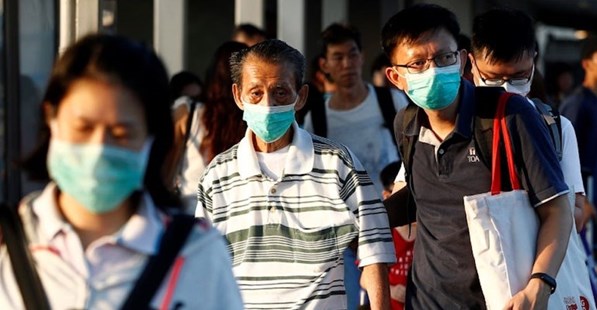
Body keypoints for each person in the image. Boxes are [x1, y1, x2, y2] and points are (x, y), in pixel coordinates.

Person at [1, 34, 242, 309]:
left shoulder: (198, 254)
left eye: (121, 134)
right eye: (83, 128)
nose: (98, 149)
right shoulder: (7, 246)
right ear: (51, 117)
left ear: (151, 136)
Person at [381, 4, 572, 308]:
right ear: (395, 76)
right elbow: (423, 201)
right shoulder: (405, 125)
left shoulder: (510, 115)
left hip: (503, 300)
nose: (433, 71)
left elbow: (558, 210)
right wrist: (360, 218)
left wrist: (540, 284)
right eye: (417, 63)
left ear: (461, 59)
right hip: (426, 300)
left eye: (443, 57)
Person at [196, 39, 395, 309]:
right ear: (238, 96)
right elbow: (206, 268)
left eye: (280, 92)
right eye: (255, 93)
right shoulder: (216, 177)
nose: (267, 104)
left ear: (300, 96)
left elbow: (375, 253)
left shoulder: (337, 163)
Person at [469, 6, 597, 305]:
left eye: (518, 77)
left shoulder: (556, 127)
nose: (505, 89)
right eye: (492, 77)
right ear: (471, 64)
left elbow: (574, 214)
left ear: (534, 62)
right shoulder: (449, 125)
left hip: (536, 288)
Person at [303, 23, 409, 195]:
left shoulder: (391, 100)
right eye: (338, 57)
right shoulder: (316, 118)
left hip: (393, 212)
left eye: (352, 54)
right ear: (324, 65)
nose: (347, 64)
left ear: (362, 56)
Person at [560, 33, 597, 308]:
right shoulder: (577, 104)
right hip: (582, 213)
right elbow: (562, 157)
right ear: (586, 63)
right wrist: (580, 199)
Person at [167, 41, 248, 212]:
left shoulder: (188, 112)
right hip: (240, 218)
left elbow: (166, 174)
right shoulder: (255, 118)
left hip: (193, 217)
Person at [380, 161, 415, 310]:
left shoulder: (431, 233)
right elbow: (366, 278)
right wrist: (392, 291)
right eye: (400, 196)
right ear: (387, 196)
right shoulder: (385, 235)